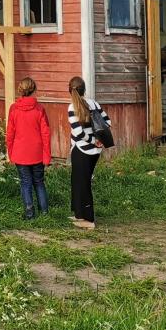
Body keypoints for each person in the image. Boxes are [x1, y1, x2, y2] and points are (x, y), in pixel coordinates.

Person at [6, 77, 52, 220]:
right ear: (34, 90)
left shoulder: (14, 109)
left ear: (21, 90)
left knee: (25, 183)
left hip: (20, 153)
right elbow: (46, 134)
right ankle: (44, 213)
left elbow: (10, 133)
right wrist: (47, 155)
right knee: (39, 182)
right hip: (37, 153)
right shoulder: (40, 109)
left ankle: (29, 214)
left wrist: (10, 152)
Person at [66, 76, 102, 229]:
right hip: (95, 151)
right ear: (84, 89)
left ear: (70, 90)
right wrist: (98, 139)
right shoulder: (94, 103)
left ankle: (88, 220)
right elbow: (107, 122)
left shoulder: (72, 107)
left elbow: (79, 133)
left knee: (83, 183)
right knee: (78, 181)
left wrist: (91, 140)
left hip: (82, 149)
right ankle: (78, 214)